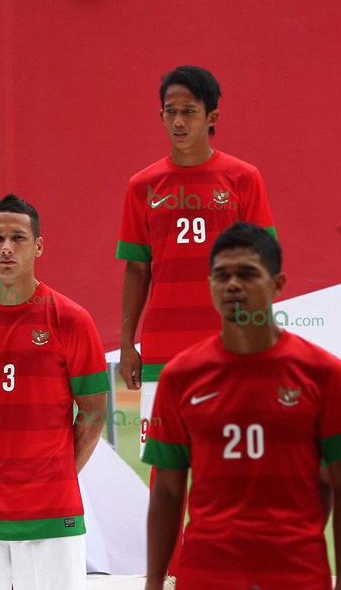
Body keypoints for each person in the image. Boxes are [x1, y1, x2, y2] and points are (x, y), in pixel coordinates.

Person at [143, 223, 341, 590]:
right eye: (221, 275)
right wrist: (153, 584)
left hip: (296, 573)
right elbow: (167, 491)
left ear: (278, 285)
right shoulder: (179, 376)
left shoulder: (324, 374)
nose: (232, 285)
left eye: (247, 274)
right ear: (209, 285)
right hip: (207, 574)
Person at [0, 194, 109, 590]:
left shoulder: (71, 320)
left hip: (53, 513)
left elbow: (95, 412)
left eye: (18, 237)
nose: (7, 247)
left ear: (39, 246)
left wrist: (58, 470)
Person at [116, 65, 276, 459]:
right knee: (166, 465)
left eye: (189, 111)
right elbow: (137, 268)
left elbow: (264, 265)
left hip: (230, 344)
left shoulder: (243, 178)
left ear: (212, 117)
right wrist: (126, 343)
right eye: (170, 112)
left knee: (233, 461)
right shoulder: (142, 186)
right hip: (162, 349)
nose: (178, 121)